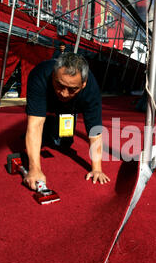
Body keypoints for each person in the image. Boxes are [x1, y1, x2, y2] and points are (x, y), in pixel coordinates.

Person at [24, 52, 110, 190]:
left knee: (63, 142)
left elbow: (95, 131)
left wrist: (97, 169)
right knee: (40, 135)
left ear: (83, 84)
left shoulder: (91, 89)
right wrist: (34, 168)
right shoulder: (39, 75)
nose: (64, 93)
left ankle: (55, 126)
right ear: (53, 75)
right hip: (48, 100)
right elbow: (35, 123)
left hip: (72, 107)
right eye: (59, 85)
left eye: (72, 89)